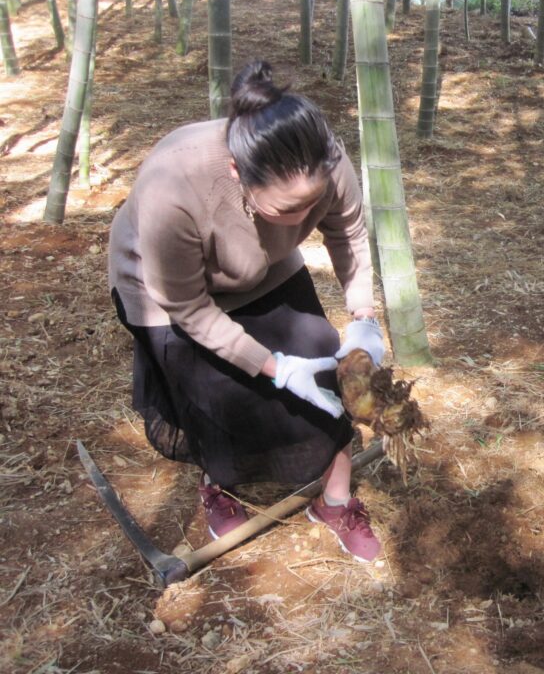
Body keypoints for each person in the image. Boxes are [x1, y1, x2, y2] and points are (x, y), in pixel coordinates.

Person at [108, 61, 387, 562]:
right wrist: (276, 368)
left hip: (264, 266)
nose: (302, 220)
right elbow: (188, 306)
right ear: (239, 174)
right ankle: (220, 486)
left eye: (312, 203)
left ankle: (335, 503)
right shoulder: (173, 188)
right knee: (213, 393)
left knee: (327, 362)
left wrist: (364, 317)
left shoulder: (323, 157)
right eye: (284, 211)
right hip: (167, 290)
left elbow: (348, 234)